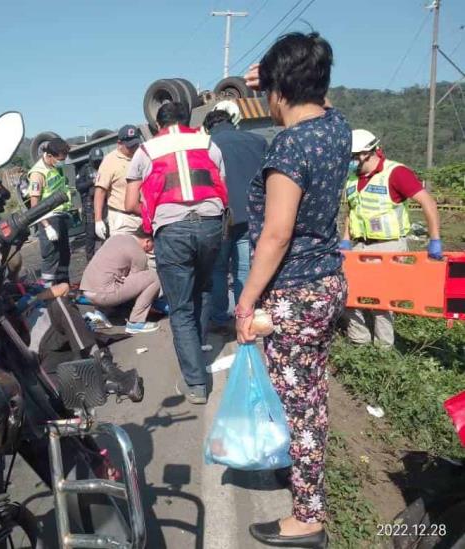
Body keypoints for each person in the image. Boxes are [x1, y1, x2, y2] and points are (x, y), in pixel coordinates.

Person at [235, 33, 350, 548]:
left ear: (279, 90)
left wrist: (247, 298)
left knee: (301, 405)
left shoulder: (291, 145)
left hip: (296, 287)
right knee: (310, 395)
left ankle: (308, 516)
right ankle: (306, 483)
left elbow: (277, 234)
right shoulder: (336, 128)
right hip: (326, 281)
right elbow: (319, 99)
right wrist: (285, 75)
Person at [125, 101, 228, 405]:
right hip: (210, 224)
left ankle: (196, 384)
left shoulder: (146, 150)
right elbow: (220, 185)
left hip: (172, 230)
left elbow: (132, 202)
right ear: (188, 120)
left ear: (157, 126)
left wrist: (153, 216)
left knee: (180, 307)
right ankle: (199, 347)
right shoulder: (208, 142)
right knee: (204, 288)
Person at [342, 129, 442, 347]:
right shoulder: (352, 178)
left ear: (366, 153)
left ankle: (383, 346)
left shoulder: (396, 173)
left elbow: (428, 202)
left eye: (351, 156)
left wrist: (434, 238)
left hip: (388, 245)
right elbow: (352, 210)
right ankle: (359, 341)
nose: (348, 161)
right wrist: (346, 239)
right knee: (347, 292)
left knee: (381, 298)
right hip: (360, 244)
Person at [15, 283, 143, 402]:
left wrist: (34, 298)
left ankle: (105, 369)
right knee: (58, 388)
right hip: (39, 356)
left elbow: (64, 287)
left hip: (56, 331)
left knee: (60, 303)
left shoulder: (21, 290)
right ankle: (111, 381)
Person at [203, 101, 267, 334]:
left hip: (220, 217)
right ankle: (245, 315)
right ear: (232, 122)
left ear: (208, 127)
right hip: (252, 215)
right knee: (244, 269)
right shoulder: (257, 141)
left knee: (219, 270)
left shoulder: (206, 145)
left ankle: (220, 318)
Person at [80, 228, 161, 334]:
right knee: (154, 277)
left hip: (86, 289)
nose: (152, 249)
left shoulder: (117, 238)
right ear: (147, 241)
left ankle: (100, 314)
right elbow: (137, 287)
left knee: (110, 278)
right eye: (153, 245)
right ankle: (136, 322)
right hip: (103, 295)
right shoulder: (138, 253)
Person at [27, 137, 72, 285]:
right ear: (50, 156)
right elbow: (34, 205)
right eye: (60, 159)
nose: (61, 162)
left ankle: (64, 287)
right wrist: (47, 226)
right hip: (48, 219)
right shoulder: (38, 173)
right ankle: (47, 292)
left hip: (60, 216)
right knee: (51, 258)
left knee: (65, 255)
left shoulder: (54, 166)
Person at [94, 125, 142, 240]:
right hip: (122, 218)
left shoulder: (141, 156)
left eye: (136, 145)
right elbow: (100, 191)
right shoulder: (110, 161)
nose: (133, 148)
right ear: (119, 143)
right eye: (130, 146)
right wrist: (98, 219)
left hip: (142, 215)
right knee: (124, 254)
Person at [75, 147, 103, 260]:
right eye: (95, 160)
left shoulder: (105, 167)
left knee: (104, 232)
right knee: (90, 234)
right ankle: (90, 258)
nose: (97, 162)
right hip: (89, 205)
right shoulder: (84, 169)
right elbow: (79, 187)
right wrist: (91, 182)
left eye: (99, 160)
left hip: (103, 204)